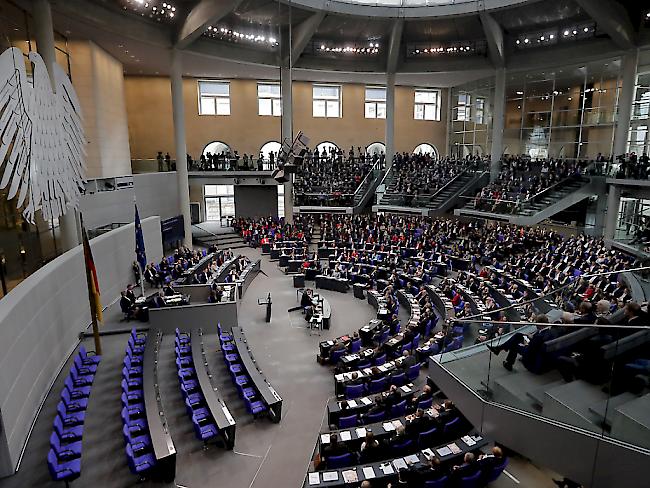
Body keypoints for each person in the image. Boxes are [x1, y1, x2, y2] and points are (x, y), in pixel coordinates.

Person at [487, 314, 559, 371]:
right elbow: (537, 342)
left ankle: (507, 360)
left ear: (540, 324)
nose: (535, 325)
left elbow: (531, 348)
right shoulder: (548, 330)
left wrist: (525, 343)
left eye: (536, 324)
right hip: (536, 348)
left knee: (514, 344)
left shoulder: (540, 336)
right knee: (518, 335)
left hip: (532, 355)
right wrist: (531, 337)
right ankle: (500, 349)